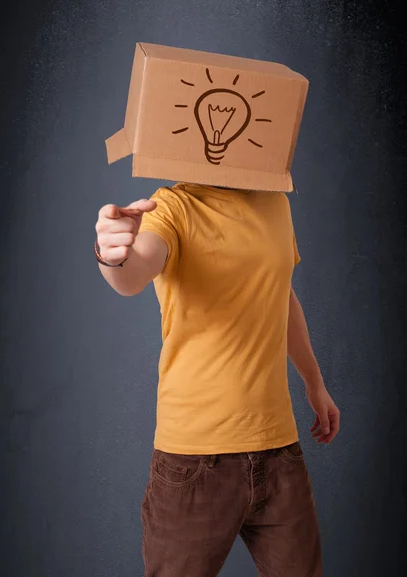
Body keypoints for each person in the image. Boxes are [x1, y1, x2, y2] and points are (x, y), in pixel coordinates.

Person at [94, 182, 340, 577]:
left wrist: (315, 382)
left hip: (279, 452)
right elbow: (133, 275)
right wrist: (112, 256)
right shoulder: (172, 206)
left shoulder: (275, 202)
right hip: (194, 461)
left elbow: (281, 293)